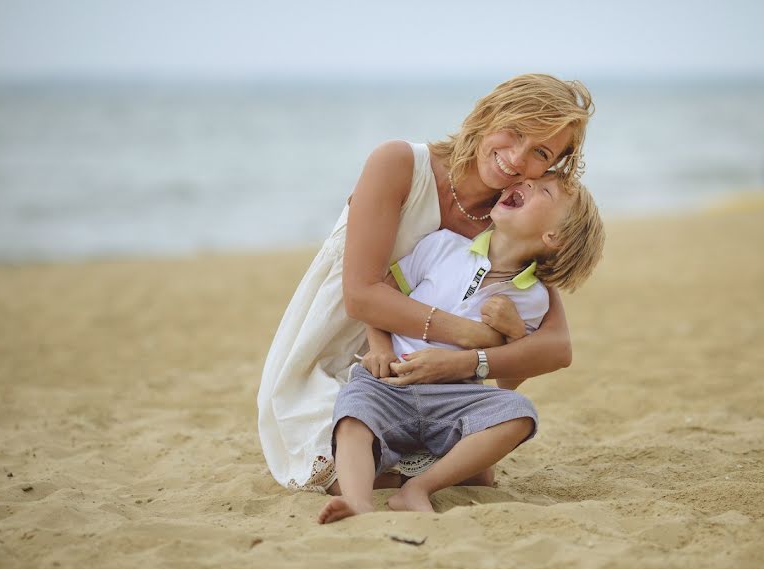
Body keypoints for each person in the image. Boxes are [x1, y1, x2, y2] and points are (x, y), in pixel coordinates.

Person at [257, 74, 594, 495]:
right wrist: (471, 335)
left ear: (552, 166)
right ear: (488, 114)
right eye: (517, 131)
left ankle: (420, 469)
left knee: (473, 457)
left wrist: (468, 362)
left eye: (540, 152)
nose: (517, 157)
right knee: (342, 465)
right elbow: (360, 295)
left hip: (436, 379)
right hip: (340, 347)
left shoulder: (511, 223)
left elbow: (553, 347)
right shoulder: (399, 163)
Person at [318, 174, 605, 523]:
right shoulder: (442, 246)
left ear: (553, 237)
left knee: (519, 412)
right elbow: (381, 300)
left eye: (543, 191)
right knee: (353, 415)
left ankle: (418, 489)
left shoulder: (533, 298)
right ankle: (358, 501)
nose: (527, 184)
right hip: (390, 382)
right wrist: (379, 347)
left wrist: (516, 332)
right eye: (528, 182)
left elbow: (509, 383)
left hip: (457, 396)